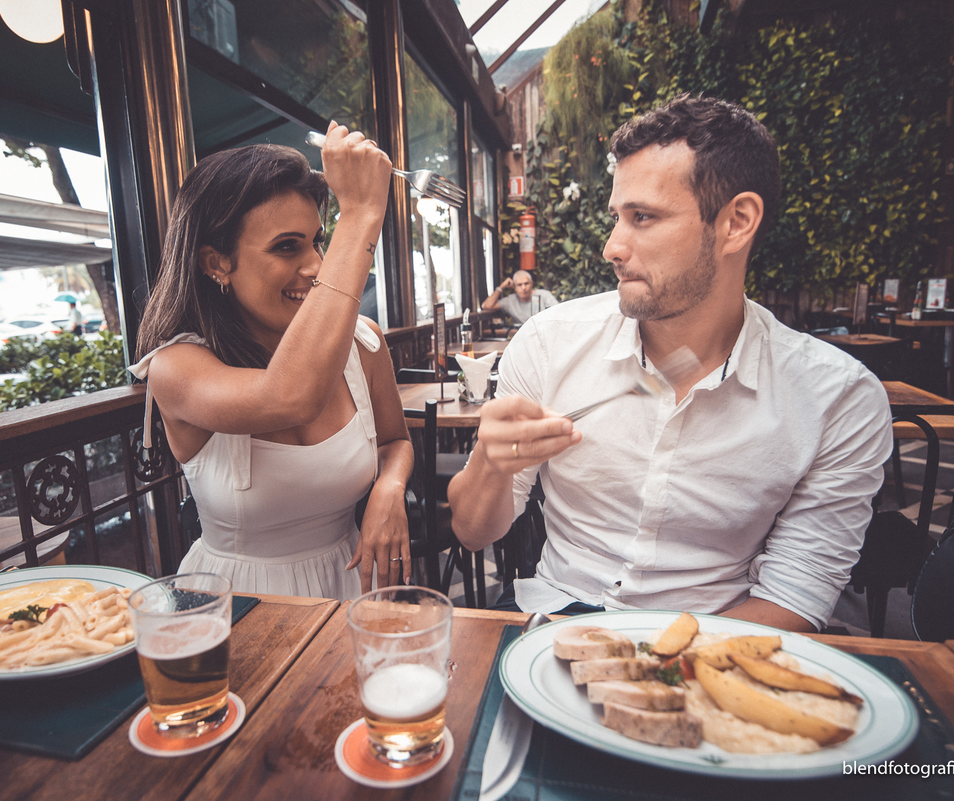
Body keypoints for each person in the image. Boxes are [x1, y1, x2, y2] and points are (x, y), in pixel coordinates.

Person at [448, 95, 892, 633]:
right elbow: (472, 532)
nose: (612, 247)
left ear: (736, 223)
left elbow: (795, 599)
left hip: (713, 640)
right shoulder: (550, 343)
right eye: (616, 218)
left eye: (643, 217)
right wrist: (491, 464)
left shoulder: (837, 399)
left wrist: (635, 662)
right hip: (554, 618)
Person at [130, 124, 412, 602]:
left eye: (318, 241)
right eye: (286, 246)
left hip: (352, 587)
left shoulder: (363, 344)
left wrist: (390, 486)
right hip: (237, 606)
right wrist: (361, 213)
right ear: (216, 263)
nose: (316, 265)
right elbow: (291, 396)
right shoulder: (175, 368)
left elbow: (395, 440)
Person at [481, 269, 558, 325]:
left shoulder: (544, 295)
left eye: (526, 283)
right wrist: (501, 287)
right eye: (519, 285)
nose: (523, 287)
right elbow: (486, 306)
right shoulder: (511, 300)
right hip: (522, 337)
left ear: (531, 284)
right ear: (515, 287)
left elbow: (558, 312)